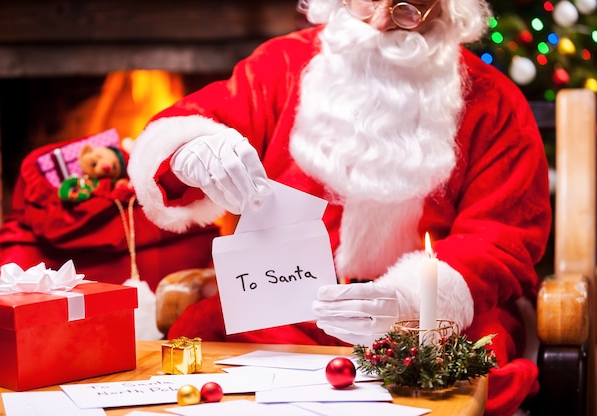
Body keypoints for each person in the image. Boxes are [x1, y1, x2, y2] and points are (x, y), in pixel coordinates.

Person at [127, 0, 551, 414]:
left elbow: (502, 237)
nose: (383, 20)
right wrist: (191, 147)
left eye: (407, 6)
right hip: (285, 311)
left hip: (429, 327)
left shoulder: (494, 101)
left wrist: (411, 300)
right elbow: (196, 119)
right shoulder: (282, 66)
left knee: (469, 380)